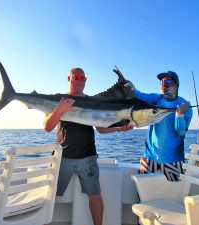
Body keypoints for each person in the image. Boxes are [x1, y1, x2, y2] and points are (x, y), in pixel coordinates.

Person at [43, 67, 133, 225]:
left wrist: (120, 128)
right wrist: (59, 110)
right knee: (50, 195)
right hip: (62, 157)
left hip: (88, 157)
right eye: (76, 77)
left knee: (95, 196)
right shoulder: (59, 99)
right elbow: (47, 127)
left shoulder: (92, 101)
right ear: (69, 78)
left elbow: (101, 129)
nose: (79, 81)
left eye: (83, 78)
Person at [125, 71, 193, 181]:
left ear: (176, 85)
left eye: (168, 81)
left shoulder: (185, 105)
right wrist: (132, 88)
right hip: (149, 159)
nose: (164, 84)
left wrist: (179, 116)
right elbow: (139, 95)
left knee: (173, 196)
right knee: (144, 195)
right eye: (162, 81)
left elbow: (181, 132)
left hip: (173, 161)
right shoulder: (155, 99)